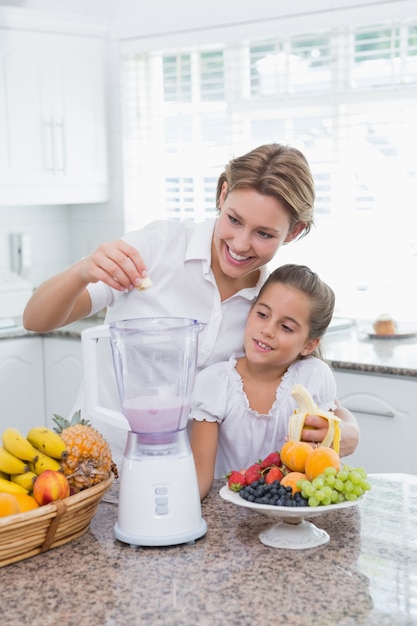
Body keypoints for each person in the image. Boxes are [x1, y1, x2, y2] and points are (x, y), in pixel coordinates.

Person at [23, 143, 359, 469]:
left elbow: (310, 391)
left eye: (264, 234)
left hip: (187, 479)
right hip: (97, 462)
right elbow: (35, 319)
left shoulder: (268, 307)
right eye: (235, 220)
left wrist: (349, 430)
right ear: (222, 194)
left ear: (294, 231)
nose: (240, 244)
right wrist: (83, 271)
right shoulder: (155, 248)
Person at [190, 263, 343, 499]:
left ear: (309, 345)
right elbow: (200, 475)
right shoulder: (215, 382)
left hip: (292, 511)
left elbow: (320, 465)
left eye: (286, 327)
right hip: (229, 513)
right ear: (250, 311)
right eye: (262, 315)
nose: (267, 330)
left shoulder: (314, 376)